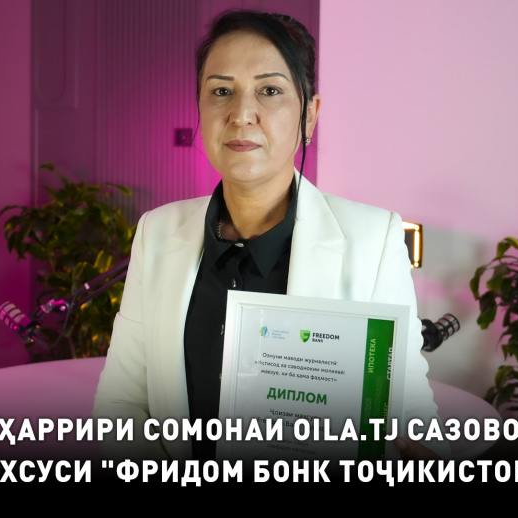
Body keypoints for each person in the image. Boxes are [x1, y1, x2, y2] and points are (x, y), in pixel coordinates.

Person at [93, 10, 446, 462]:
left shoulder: (373, 241)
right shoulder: (157, 233)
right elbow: (121, 403)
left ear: (309, 116)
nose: (241, 115)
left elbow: (409, 412)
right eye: (221, 91)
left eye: (270, 90)